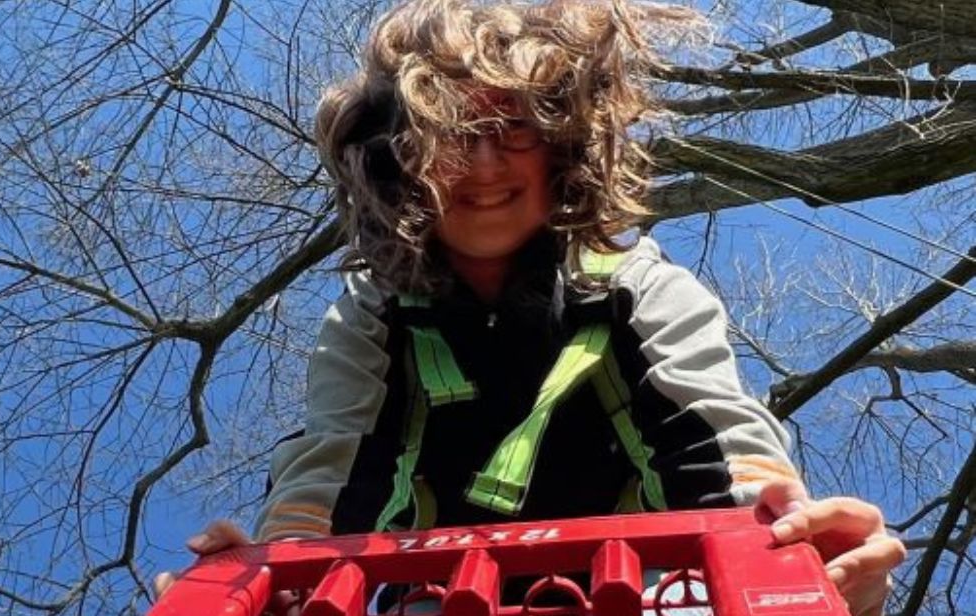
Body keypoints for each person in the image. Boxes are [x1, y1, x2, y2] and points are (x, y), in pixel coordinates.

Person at [155, 0, 905, 613]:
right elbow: (332, 459)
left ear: (560, 147)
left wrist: (788, 548)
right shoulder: (372, 314)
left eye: (512, 127)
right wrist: (279, 574)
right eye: (448, 134)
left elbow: (710, 426)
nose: (483, 165)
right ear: (399, 164)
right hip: (436, 592)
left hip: (650, 584)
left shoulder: (636, 282)